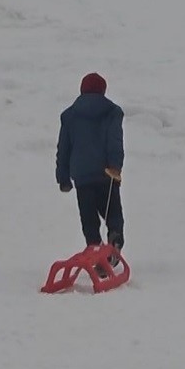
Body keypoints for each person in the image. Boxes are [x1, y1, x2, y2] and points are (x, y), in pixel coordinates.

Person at [55, 72, 124, 252]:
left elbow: (64, 149)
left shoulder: (70, 115)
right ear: (103, 90)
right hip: (106, 175)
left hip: (82, 177)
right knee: (113, 214)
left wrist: (63, 177)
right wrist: (115, 166)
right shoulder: (112, 112)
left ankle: (94, 249)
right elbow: (115, 141)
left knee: (89, 220)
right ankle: (115, 238)